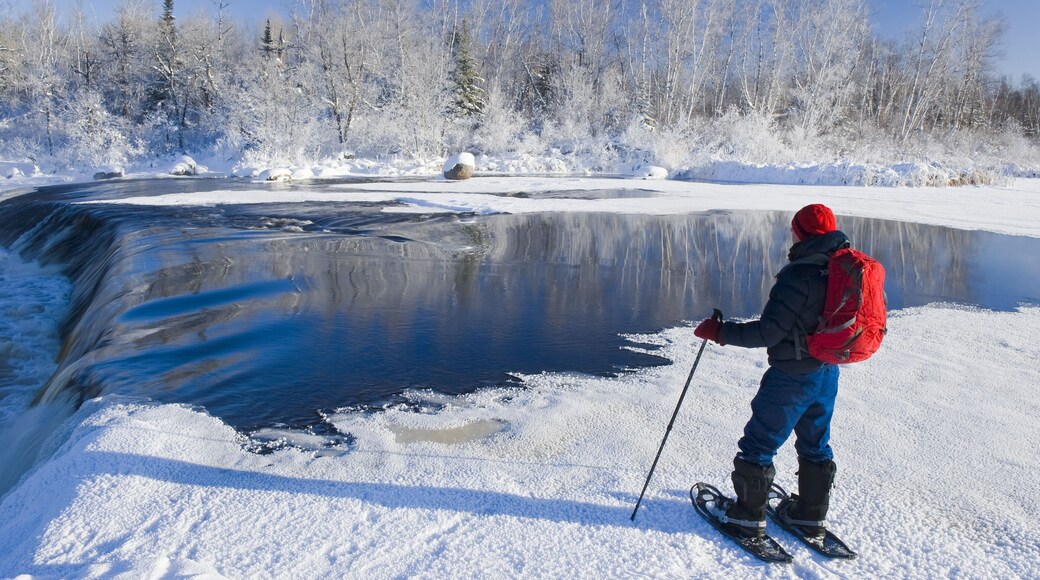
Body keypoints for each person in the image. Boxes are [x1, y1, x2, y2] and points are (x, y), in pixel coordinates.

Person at [692, 203, 849, 541]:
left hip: (792, 375)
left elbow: (768, 333)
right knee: (816, 442)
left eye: (795, 229)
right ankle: (809, 517)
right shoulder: (843, 268)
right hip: (827, 370)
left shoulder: (799, 275)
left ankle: (747, 518)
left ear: (801, 232)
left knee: (758, 443)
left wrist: (719, 332)